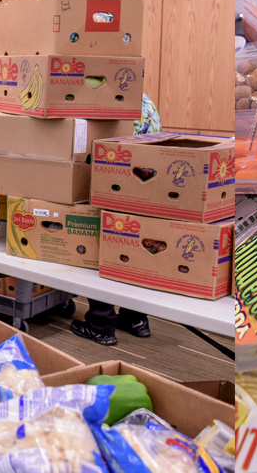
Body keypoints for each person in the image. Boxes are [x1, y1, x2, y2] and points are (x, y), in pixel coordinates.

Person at [69, 93, 163, 346]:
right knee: (135, 252)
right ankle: (136, 318)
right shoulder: (145, 102)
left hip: (113, 186)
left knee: (103, 252)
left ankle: (101, 324)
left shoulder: (104, 101)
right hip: (148, 189)